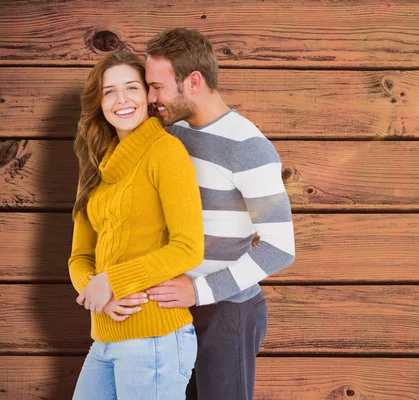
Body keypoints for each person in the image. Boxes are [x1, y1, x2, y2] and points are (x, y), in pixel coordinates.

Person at [137, 28, 296, 400]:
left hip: (226, 313)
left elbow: (280, 246)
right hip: (173, 311)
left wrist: (197, 291)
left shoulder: (247, 148)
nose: (150, 97)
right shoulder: (172, 133)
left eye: (158, 87)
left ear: (193, 81)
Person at [68, 50, 204, 400]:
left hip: (154, 341)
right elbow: (79, 257)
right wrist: (98, 295)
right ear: (98, 103)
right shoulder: (97, 166)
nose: (121, 99)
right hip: (105, 338)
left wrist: (111, 281)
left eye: (131, 87)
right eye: (109, 91)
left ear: (147, 95)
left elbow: (188, 248)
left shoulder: (165, 152)